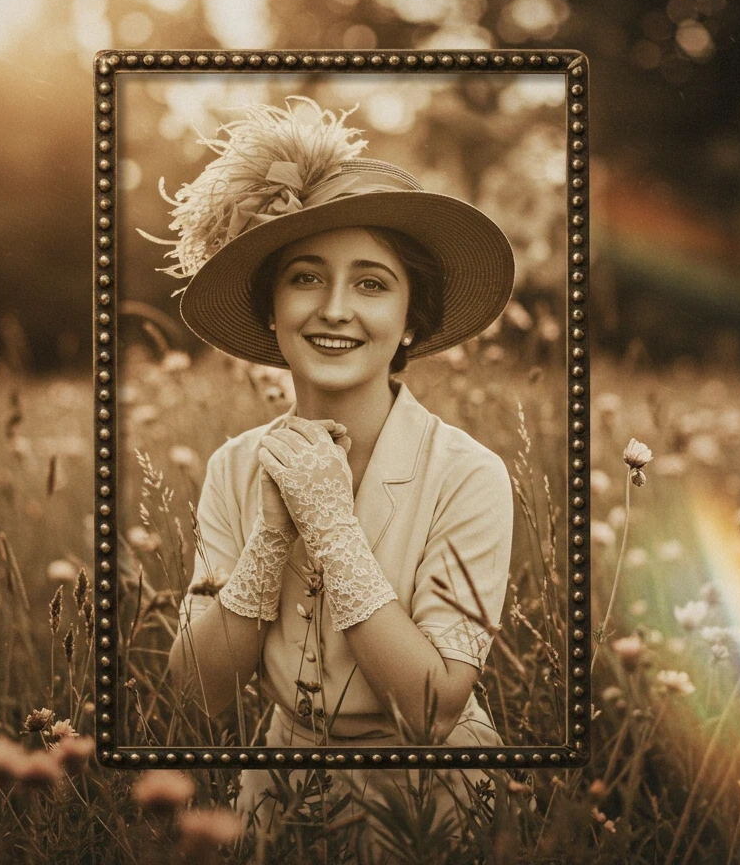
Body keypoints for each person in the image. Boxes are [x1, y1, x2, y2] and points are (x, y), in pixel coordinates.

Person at [157, 97, 516, 851]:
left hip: (433, 802)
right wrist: (268, 541)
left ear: (413, 317)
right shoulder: (233, 466)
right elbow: (198, 692)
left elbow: (432, 711)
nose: (335, 309)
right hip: (277, 794)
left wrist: (328, 522)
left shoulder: (468, 474)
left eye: (373, 284)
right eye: (306, 277)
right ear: (272, 309)